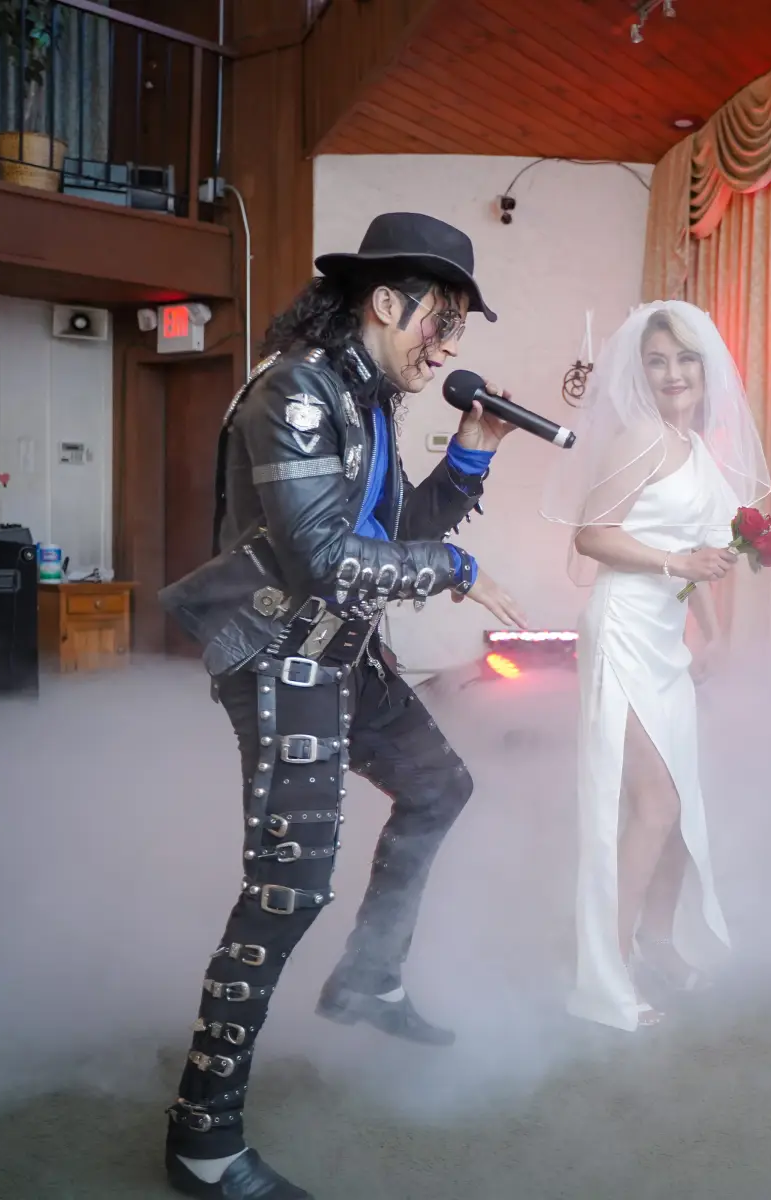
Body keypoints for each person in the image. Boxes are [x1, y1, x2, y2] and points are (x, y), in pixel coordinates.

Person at [156, 212, 528, 1199]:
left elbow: (393, 524)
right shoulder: (297, 393)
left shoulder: (361, 399)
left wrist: (472, 454)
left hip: (341, 655)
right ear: (385, 302)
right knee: (289, 885)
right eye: (438, 322)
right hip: (283, 660)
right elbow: (330, 561)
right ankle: (203, 1134)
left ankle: (369, 977)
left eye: (454, 328)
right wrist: (452, 566)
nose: (446, 347)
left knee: (438, 787)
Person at [540, 300, 770, 1031]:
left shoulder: (696, 448)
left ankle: (659, 943)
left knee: (678, 812)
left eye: (685, 359)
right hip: (622, 630)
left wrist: (715, 636)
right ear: (643, 374)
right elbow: (591, 536)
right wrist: (678, 559)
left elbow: (703, 560)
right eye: (658, 361)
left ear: (708, 369)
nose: (673, 373)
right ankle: (604, 977)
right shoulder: (641, 437)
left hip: (666, 639)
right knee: (653, 805)